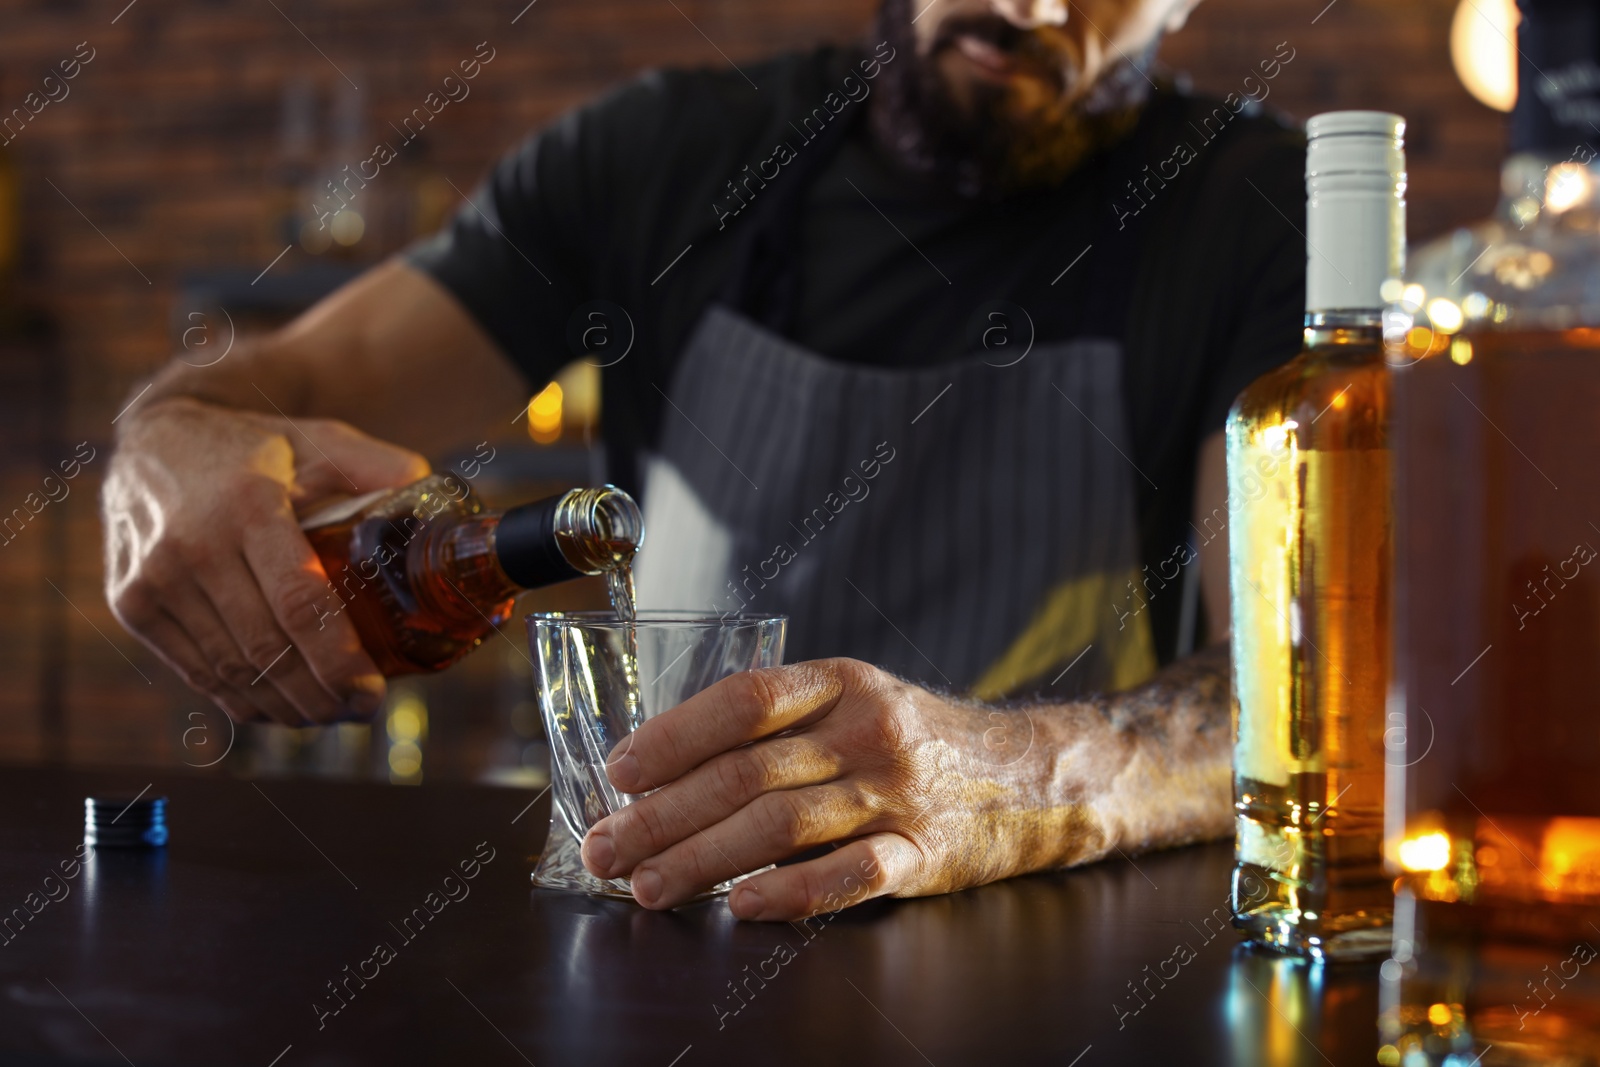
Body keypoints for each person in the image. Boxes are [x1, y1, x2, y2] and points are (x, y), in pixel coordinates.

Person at [102, 0, 1305, 920]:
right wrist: (171, 437)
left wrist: (1009, 779)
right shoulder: (664, 156)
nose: (1034, 6)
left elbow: (1293, 684)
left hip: (1046, 953)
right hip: (674, 925)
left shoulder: (1253, 211)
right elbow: (269, 393)